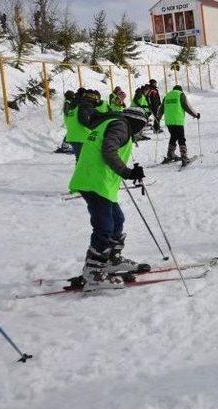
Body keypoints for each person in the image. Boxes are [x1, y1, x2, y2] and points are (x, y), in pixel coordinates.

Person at [68, 107, 150, 292]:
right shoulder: (121, 126)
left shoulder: (111, 123)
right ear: (137, 122)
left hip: (99, 182)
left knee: (117, 219)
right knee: (104, 226)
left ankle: (111, 260)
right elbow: (108, 151)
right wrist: (127, 172)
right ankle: (93, 271)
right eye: (142, 127)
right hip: (95, 182)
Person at [159, 84, 200, 165]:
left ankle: (170, 154)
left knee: (173, 137)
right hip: (177, 120)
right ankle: (184, 156)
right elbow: (187, 107)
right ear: (180, 90)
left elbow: (161, 109)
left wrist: (157, 118)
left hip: (168, 121)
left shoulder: (167, 95)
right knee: (181, 138)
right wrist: (196, 115)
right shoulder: (180, 94)